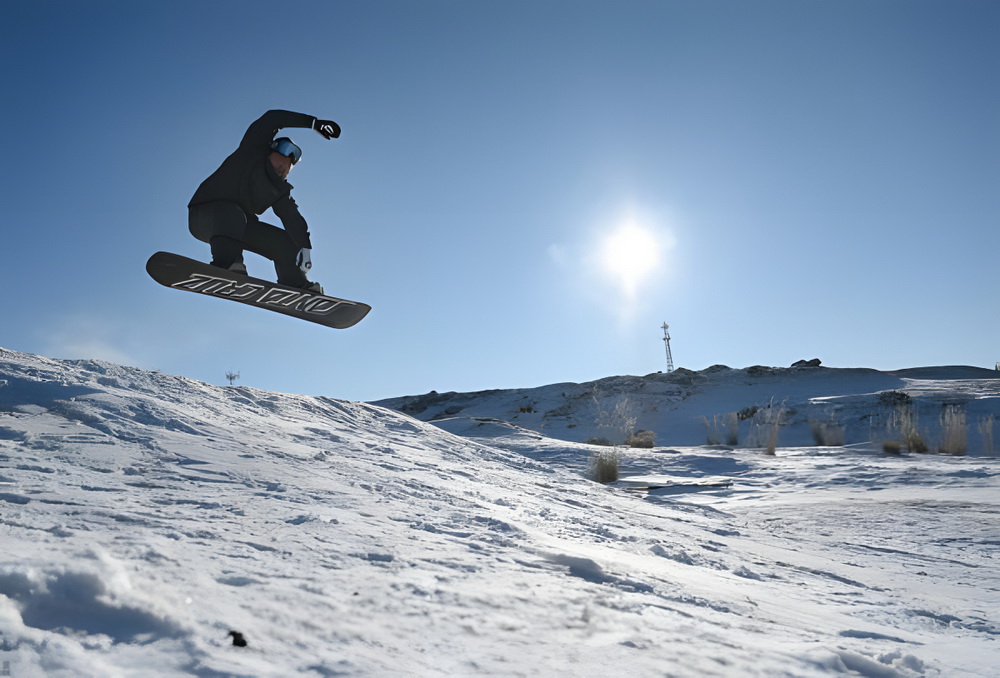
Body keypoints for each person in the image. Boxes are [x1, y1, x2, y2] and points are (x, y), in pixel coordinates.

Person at [188, 110, 341, 293]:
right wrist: (313, 123)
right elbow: (271, 119)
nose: (285, 166)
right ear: (269, 150)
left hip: (236, 227)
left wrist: (304, 246)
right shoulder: (252, 152)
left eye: (289, 166)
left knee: (285, 242)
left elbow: (291, 216)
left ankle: (295, 285)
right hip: (205, 215)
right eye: (281, 158)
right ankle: (228, 265)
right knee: (233, 214)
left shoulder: (279, 190)